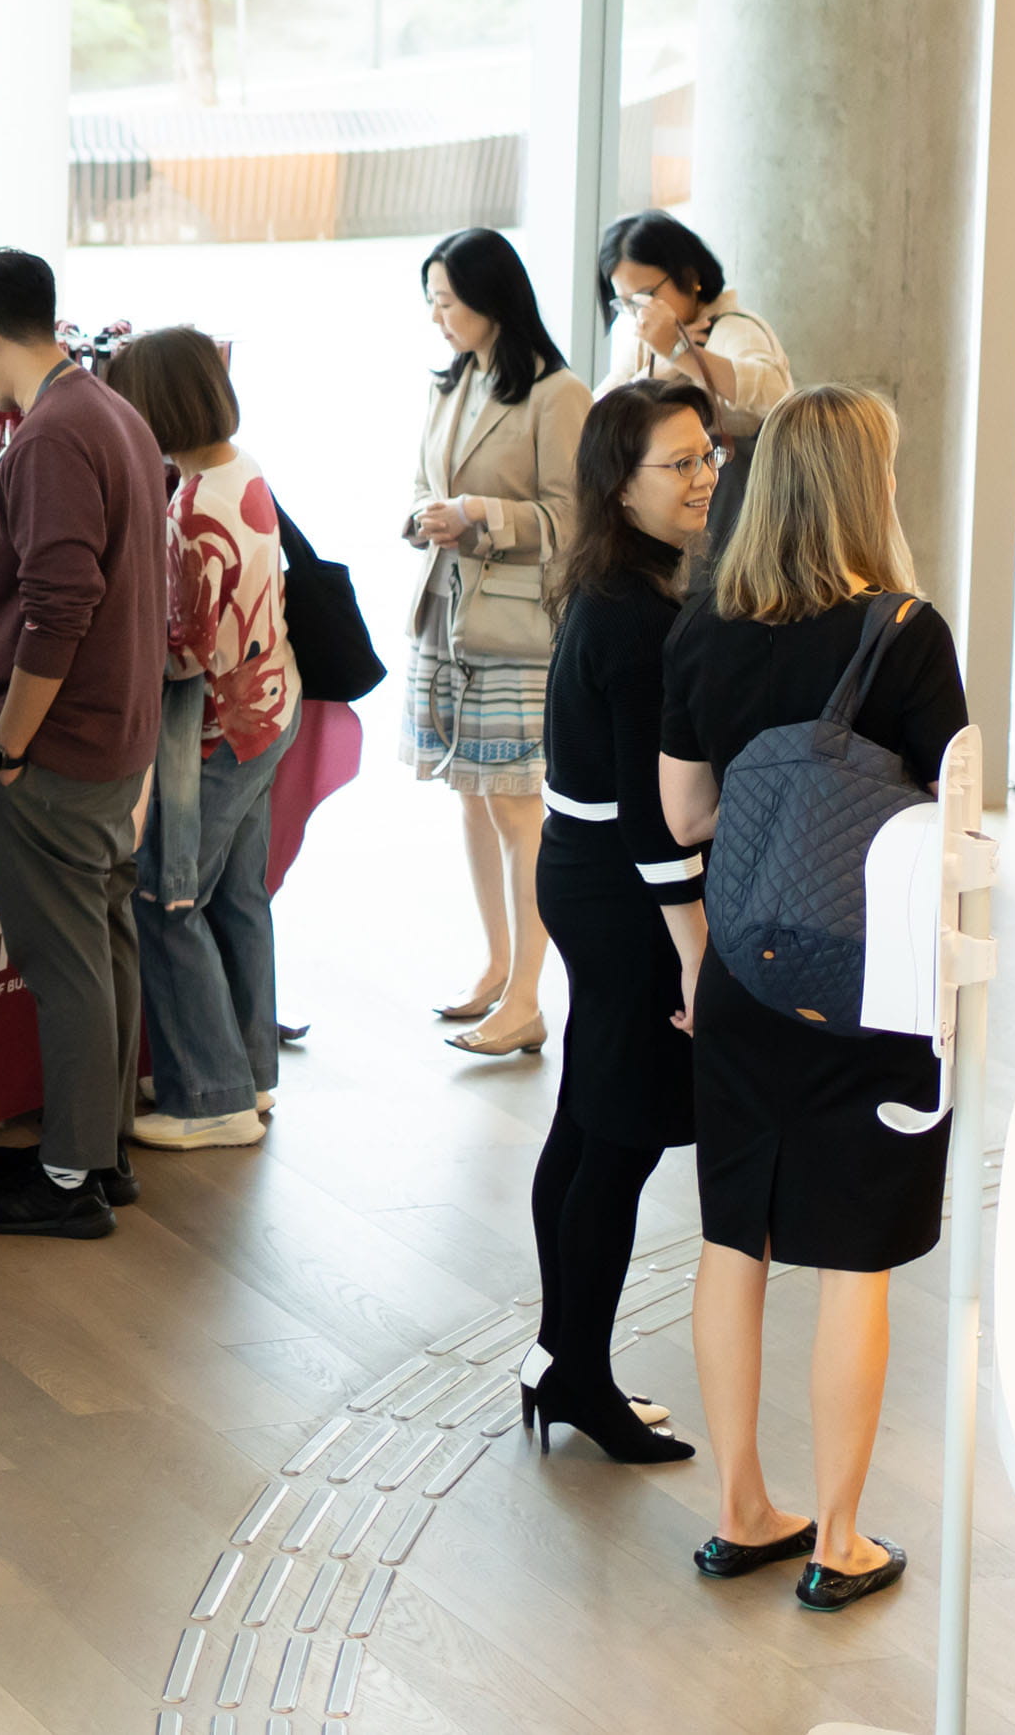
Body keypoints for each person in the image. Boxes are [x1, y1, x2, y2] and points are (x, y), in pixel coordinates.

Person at [659, 384, 967, 1613]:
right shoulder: (903, 633)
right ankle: (838, 1537)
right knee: (854, 1257)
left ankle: (740, 1509)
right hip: (867, 978)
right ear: (862, 489)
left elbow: (682, 815)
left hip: (740, 965)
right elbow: (951, 823)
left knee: (733, 1235)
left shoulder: (705, 626)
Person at [0, 247, 171, 1241]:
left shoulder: (47, 439)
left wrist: (9, 746)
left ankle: (69, 1177)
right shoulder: (112, 411)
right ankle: (98, 1146)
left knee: (67, 962)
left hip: (58, 749)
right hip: (114, 737)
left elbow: (57, 604)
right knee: (105, 945)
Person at [520, 378, 723, 1464]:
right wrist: (693, 958)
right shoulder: (640, 620)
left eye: (705, 456)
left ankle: (557, 1355)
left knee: (586, 1126)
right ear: (618, 483)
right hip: (624, 894)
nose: (701, 477)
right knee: (617, 1144)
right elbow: (655, 823)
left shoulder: (610, 587)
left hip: (585, 876)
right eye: (677, 464)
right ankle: (581, 1379)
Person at [108, 325, 300, 1152]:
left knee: (165, 893)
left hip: (215, 731)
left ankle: (211, 1093)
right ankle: (247, 1068)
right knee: (237, 894)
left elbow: (188, 650)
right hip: (269, 709)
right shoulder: (239, 468)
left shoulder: (191, 505)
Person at [404, 226, 593, 1056]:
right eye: (433, 302)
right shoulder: (456, 382)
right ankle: (495, 968)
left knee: (517, 807)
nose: (437, 317)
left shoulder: (558, 394)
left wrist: (479, 515)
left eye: (447, 300)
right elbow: (427, 479)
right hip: (446, 616)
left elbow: (575, 519)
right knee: (472, 796)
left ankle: (526, 996)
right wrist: (426, 514)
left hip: (516, 626)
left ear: (491, 299)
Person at [593, 209, 792, 439]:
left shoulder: (734, 328)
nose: (640, 312)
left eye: (646, 296)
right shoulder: (647, 343)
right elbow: (593, 416)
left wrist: (679, 352)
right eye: (627, 303)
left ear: (689, 276)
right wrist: (657, 371)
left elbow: (778, 396)